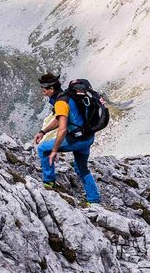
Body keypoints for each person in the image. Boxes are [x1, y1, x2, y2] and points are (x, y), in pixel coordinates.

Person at [33, 73, 101, 205]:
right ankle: (94, 200)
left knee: (43, 149)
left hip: (76, 140)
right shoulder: (68, 96)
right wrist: (43, 131)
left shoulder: (60, 103)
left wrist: (54, 150)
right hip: (87, 137)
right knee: (82, 167)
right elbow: (59, 120)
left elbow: (63, 128)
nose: (44, 93)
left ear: (51, 89)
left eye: (45, 90)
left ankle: (49, 182)